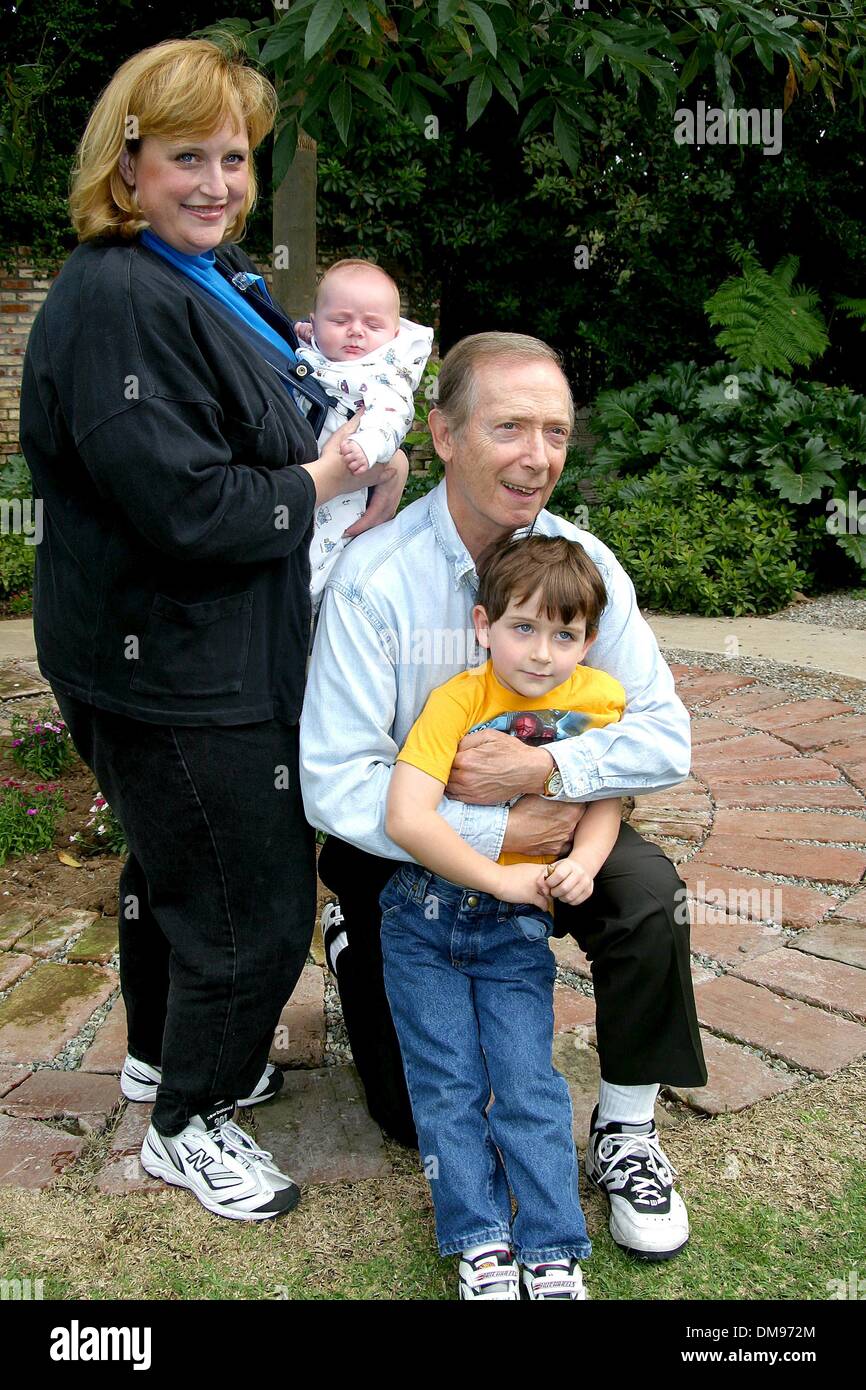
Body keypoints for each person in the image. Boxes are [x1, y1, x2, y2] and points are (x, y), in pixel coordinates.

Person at [19, 35, 406, 1222]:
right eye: (187, 155)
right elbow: (189, 506)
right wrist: (330, 481)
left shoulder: (199, 275)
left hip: (208, 643)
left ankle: (156, 1059)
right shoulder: (121, 298)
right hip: (172, 659)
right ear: (124, 165)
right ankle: (187, 1123)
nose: (218, 182)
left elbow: (274, 406)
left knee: (174, 866)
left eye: (233, 156)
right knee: (256, 898)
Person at [300, 332, 707, 1263]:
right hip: (406, 847)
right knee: (410, 1119)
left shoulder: (581, 566)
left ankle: (628, 1130)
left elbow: (662, 733)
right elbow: (334, 778)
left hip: (561, 827)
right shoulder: (377, 580)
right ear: (443, 435)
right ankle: (354, 937)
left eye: (556, 432)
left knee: (647, 895)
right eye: (510, 426)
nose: (538, 456)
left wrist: (546, 777)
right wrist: (487, 825)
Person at [381, 533, 625, 1300]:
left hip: (514, 931)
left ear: (588, 639)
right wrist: (502, 878)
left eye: (566, 634)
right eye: (524, 628)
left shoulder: (596, 703)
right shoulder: (456, 700)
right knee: (446, 1081)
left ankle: (551, 1246)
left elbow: (606, 796)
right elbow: (407, 820)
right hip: (424, 920)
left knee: (527, 1080)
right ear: (484, 624)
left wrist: (582, 862)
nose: (544, 653)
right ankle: (480, 1240)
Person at [292, 259, 433, 608]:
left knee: (326, 547)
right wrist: (310, 335)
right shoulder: (320, 351)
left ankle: (312, 608)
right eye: (340, 320)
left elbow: (393, 414)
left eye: (372, 324)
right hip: (298, 479)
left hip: (348, 472)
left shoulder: (383, 373)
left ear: (394, 336)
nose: (355, 331)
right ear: (315, 321)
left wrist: (368, 446)